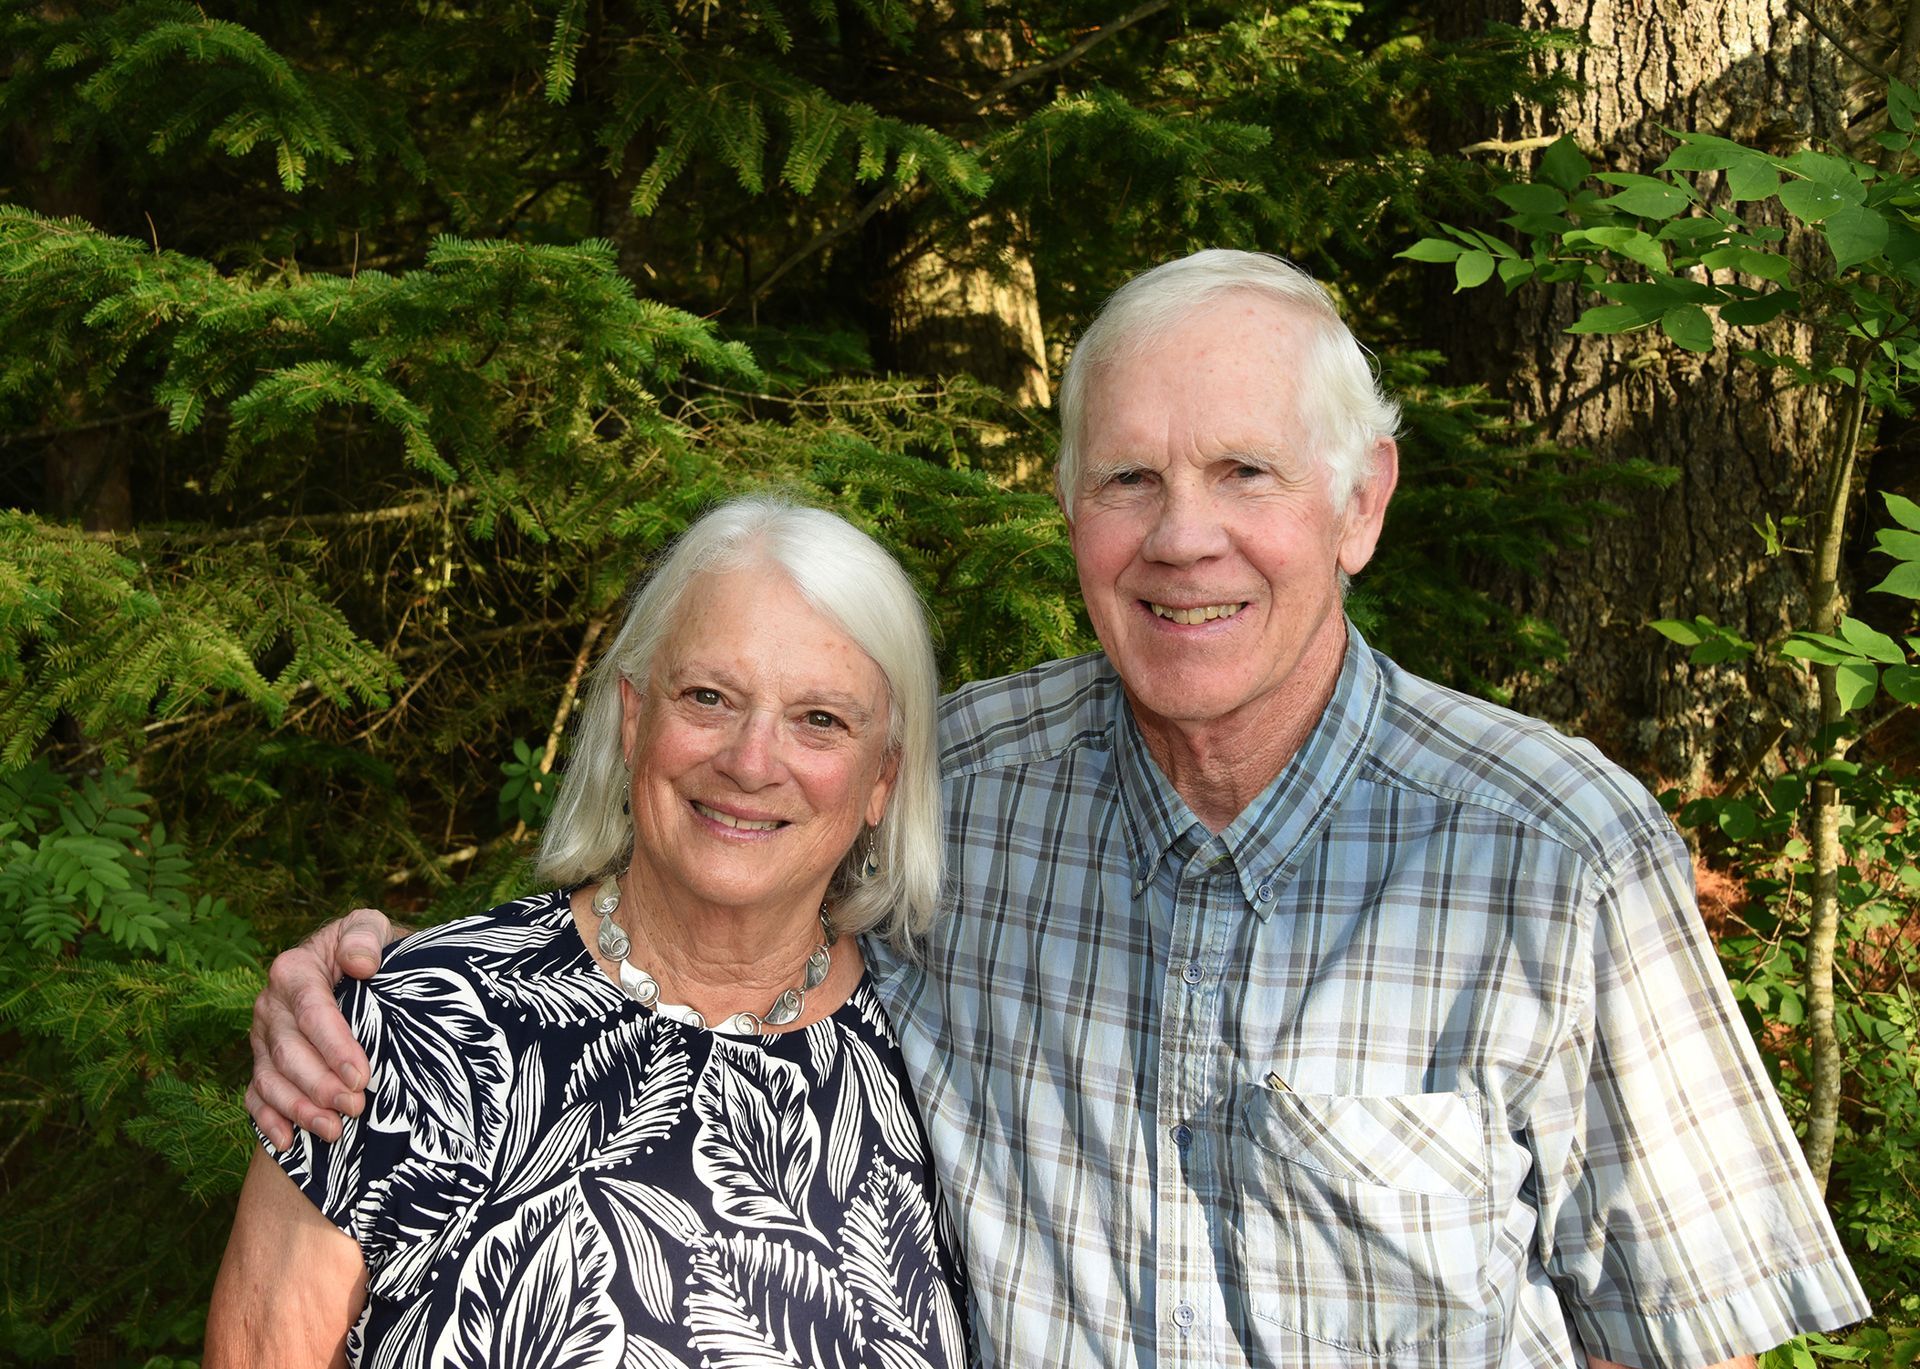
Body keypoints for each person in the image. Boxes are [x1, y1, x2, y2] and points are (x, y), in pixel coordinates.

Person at [248, 251, 1870, 1368]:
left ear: (1359, 501)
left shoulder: (1558, 850)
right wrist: (369, 993)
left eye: (1246, 472)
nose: (1185, 539)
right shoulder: (959, 788)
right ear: (1070, 506)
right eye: (1131, 480)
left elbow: (1683, 1329)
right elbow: (693, 897)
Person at [208, 498, 969, 1368]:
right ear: (635, 716)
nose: (752, 760)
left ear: (882, 780)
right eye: (710, 697)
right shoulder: (416, 1030)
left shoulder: (942, 1066)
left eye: (820, 719)